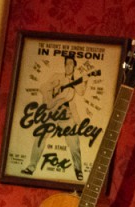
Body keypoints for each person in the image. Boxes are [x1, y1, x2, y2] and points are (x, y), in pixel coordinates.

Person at [21, 54, 87, 182]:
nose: (68, 66)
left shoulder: (76, 80)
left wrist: (82, 80)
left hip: (66, 114)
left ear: (74, 66)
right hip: (51, 112)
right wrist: (53, 87)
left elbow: (82, 92)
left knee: (73, 142)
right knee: (40, 136)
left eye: (71, 64)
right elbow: (43, 88)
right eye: (66, 64)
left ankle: (78, 169)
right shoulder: (57, 76)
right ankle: (31, 167)